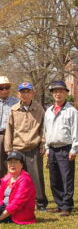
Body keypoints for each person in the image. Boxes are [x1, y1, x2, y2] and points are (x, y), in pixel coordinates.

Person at [4, 83, 48, 211]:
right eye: (22, 92)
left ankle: (40, 203)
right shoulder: (14, 109)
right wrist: (8, 147)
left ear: (33, 93)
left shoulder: (39, 109)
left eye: (28, 91)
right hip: (18, 147)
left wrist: (43, 143)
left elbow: (43, 129)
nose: (25, 94)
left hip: (34, 147)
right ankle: (16, 200)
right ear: (18, 94)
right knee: (17, 176)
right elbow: (9, 129)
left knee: (37, 177)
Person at [44, 80, 78, 216]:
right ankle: (59, 204)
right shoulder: (49, 111)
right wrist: (47, 147)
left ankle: (67, 205)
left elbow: (76, 130)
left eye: (61, 91)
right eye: (55, 91)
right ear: (52, 94)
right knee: (54, 179)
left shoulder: (72, 111)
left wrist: (74, 149)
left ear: (65, 93)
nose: (58, 94)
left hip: (66, 148)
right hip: (52, 148)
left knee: (67, 178)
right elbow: (46, 130)